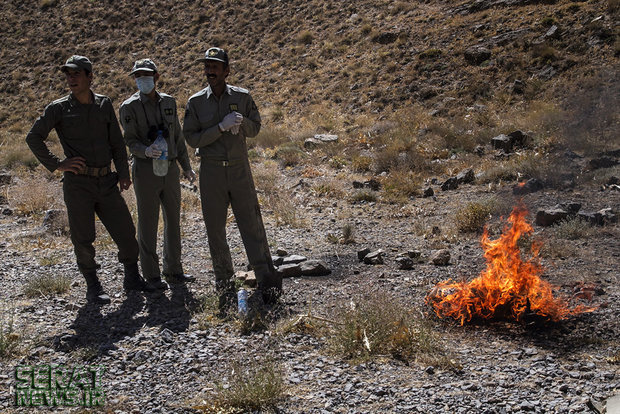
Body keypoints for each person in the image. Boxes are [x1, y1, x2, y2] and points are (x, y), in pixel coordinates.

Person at [25, 55, 154, 304]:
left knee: (126, 233)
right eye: (68, 74)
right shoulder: (59, 108)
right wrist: (58, 164)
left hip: (106, 181)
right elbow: (34, 137)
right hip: (78, 184)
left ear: (89, 76)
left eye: (76, 74)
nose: (71, 79)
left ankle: (132, 278)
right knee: (83, 238)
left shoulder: (103, 105)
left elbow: (116, 142)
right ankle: (93, 286)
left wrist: (124, 174)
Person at [183, 47, 282, 313]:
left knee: (252, 224)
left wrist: (242, 123)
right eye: (207, 66)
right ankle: (224, 286)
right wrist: (220, 128)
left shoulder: (242, 96)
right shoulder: (196, 102)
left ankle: (267, 283)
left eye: (215, 66)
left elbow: (256, 128)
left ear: (227, 70)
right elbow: (191, 138)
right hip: (211, 171)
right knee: (215, 231)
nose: (210, 71)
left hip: (239, 169)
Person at [119, 58, 196, 290]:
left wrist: (186, 166)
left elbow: (178, 137)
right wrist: (145, 150)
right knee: (148, 222)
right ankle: (151, 275)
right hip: (146, 169)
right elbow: (129, 140)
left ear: (156, 77)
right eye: (138, 76)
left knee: (173, 219)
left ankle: (174, 270)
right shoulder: (128, 107)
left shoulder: (169, 102)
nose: (142, 79)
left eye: (147, 75)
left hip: (170, 168)